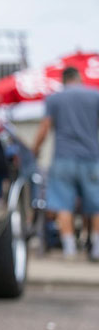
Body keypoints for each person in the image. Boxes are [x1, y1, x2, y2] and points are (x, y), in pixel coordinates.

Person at [33, 67, 99, 261]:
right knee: (96, 205)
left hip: (63, 158)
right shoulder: (94, 96)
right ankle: (96, 247)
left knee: (63, 204)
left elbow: (45, 127)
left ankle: (69, 249)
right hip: (91, 157)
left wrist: (35, 149)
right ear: (78, 78)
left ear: (63, 80)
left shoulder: (55, 99)